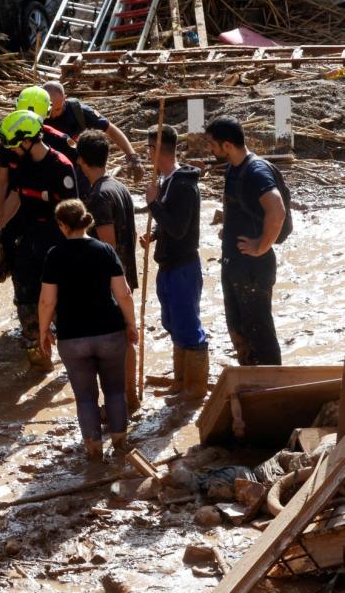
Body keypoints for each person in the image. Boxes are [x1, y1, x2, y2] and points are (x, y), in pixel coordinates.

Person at [39, 199, 138, 460]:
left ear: (62, 225)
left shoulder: (54, 255)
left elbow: (47, 300)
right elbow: (124, 294)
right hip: (109, 332)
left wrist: (43, 331)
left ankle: (94, 450)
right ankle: (120, 443)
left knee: (85, 398)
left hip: (73, 337)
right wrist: (131, 323)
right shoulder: (105, 251)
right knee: (115, 391)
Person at [0, 110, 80, 370]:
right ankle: (39, 356)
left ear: (27, 140)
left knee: (62, 304)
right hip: (28, 239)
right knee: (25, 299)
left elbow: (73, 216)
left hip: (55, 243)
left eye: (14, 146)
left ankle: (73, 358)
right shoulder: (22, 165)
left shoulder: (61, 168)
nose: (12, 151)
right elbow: (16, 197)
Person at [206, 115, 285, 365]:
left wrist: (262, 245)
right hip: (236, 264)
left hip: (253, 268)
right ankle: (251, 386)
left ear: (227, 145)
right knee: (239, 329)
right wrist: (227, 229)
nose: (211, 149)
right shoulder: (234, 169)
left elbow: (277, 209)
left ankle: (272, 390)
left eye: (213, 144)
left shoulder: (256, 171)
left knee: (259, 332)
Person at [140, 125, 209, 400]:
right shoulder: (167, 180)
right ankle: (181, 382)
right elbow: (171, 224)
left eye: (149, 149)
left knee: (188, 325)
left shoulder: (182, 184)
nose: (147, 154)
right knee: (172, 322)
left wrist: (153, 204)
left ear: (155, 151)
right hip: (169, 265)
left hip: (183, 267)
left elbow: (180, 228)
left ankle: (195, 389)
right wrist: (155, 234)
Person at [76, 130, 140, 412]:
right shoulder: (119, 186)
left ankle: (121, 401)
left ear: (81, 161)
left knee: (114, 345)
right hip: (126, 274)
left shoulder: (98, 196)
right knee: (126, 336)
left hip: (111, 282)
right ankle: (131, 395)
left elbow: (107, 246)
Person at [0, 86, 87, 218]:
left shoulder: (8, 136)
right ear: (47, 111)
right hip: (19, 212)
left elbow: (1, 183)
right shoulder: (60, 140)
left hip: (48, 217)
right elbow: (1, 183)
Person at [42, 81, 143, 181]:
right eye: (49, 111)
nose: (53, 115)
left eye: (58, 109)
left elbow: (111, 130)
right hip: (49, 172)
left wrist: (132, 156)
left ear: (65, 98)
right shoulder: (35, 114)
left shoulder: (78, 111)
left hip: (80, 172)